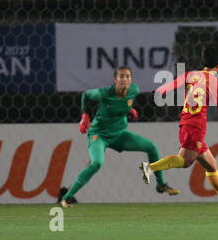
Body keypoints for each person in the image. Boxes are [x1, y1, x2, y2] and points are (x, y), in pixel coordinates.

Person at [139, 44, 218, 209]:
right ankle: (151, 167)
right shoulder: (214, 82)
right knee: (186, 162)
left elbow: (173, 84)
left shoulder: (190, 75)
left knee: (211, 165)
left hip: (185, 123)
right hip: (196, 126)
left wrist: (160, 90)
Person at [59, 66, 179, 207]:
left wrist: (130, 109)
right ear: (115, 80)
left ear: (131, 79)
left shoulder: (134, 90)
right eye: (121, 77)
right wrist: (84, 114)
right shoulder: (104, 93)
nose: (125, 80)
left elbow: (123, 103)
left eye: (128, 76)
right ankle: (66, 198)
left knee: (151, 147)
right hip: (100, 135)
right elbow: (86, 95)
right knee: (96, 163)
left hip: (119, 135)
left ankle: (161, 185)